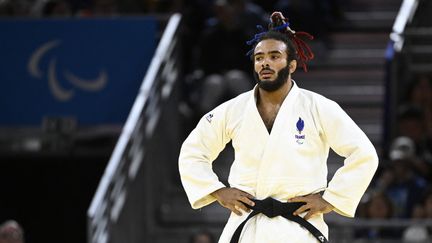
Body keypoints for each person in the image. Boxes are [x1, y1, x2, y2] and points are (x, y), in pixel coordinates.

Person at [178, 11, 378, 242]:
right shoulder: (233, 109)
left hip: (299, 228)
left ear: (292, 65)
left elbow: (364, 153)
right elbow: (193, 152)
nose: (265, 62)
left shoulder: (319, 107)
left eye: (275, 56)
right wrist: (216, 190)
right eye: (259, 57)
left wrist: (331, 199)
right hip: (247, 225)